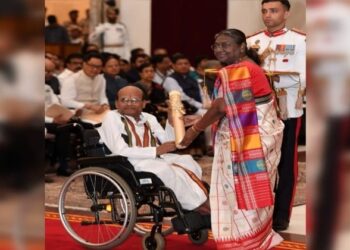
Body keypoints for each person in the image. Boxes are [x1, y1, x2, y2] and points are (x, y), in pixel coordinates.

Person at [180, 28, 284, 249]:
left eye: (225, 45)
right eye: (216, 45)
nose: (219, 49)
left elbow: (221, 107)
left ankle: (244, 241)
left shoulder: (240, 70)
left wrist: (195, 130)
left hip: (249, 140)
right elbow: (231, 105)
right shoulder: (244, 68)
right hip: (256, 135)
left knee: (239, 190)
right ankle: (257, 237)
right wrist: (199, 116)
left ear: (242, 47)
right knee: (252, 189)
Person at [97, 84, 209, 212]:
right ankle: (196, 207)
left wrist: (174, 124)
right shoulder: (111, 117)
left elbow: (167, 142)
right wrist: (156, 150)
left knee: (187, 161)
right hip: (129, 162)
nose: (129, 103)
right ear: (116, 104)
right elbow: (119, 150)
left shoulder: (150, 118)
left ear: (144, 103)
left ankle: (199, 202)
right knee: (165, 170)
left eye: (134, 100)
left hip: (154, 158)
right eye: (124, 100)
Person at [247, 0, 306, 231]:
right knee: (256, 160)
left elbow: (307, 75)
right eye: (264, 11)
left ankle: (281, 215)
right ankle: (257, 211)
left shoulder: (300, 41)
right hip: (257, 111)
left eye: (273, 10)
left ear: (287, 12)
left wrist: (275, 80)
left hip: (287, 109)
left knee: (285, 162)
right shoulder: (252, 42)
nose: (268, 15)